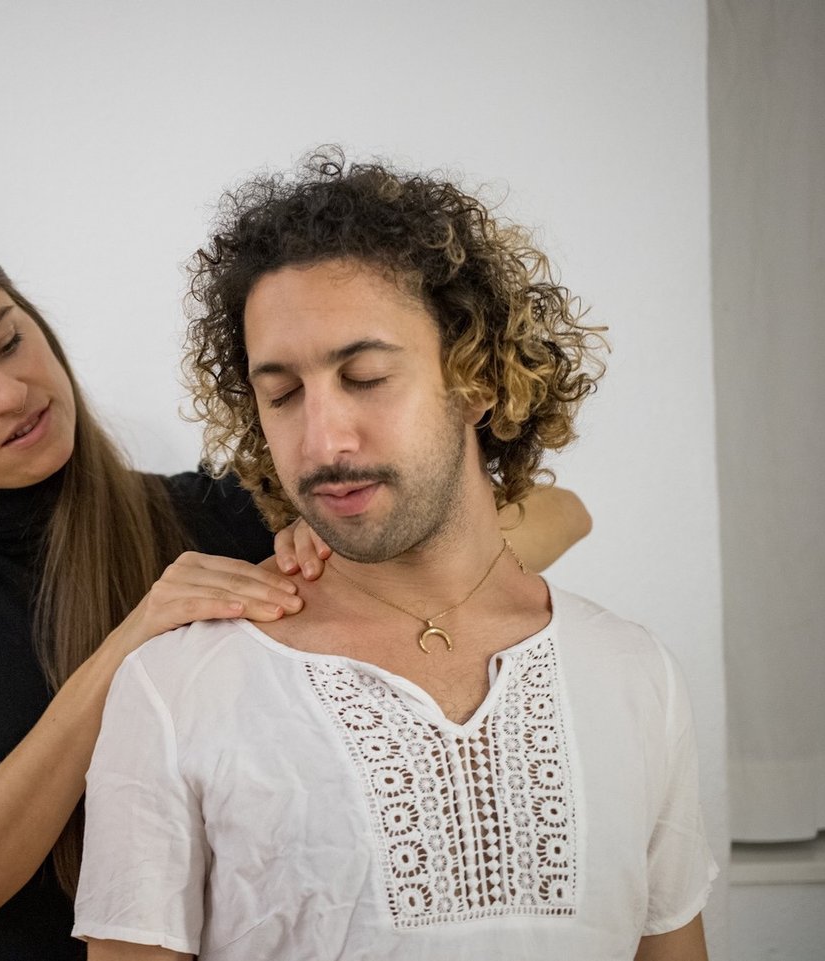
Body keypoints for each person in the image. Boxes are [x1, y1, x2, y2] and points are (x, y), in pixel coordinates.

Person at [0, 227, 592, 960]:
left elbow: (559, 512)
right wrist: (132, 641)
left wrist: (337, 566)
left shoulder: (205, 515)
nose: (11, 392)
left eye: (10, 341)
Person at [74, 154, 717, 961]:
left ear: (475, 378)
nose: (322, 440)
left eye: (367, 377)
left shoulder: (636, 676)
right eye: (282, 394)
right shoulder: (178, 692)